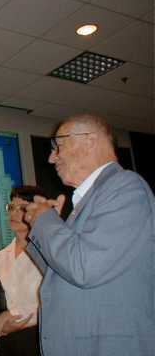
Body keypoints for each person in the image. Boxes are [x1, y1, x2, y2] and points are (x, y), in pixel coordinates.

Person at [24, 114, 155, 356]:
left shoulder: (125, 187)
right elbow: (63, 276)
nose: (52, 158)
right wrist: (38, 231)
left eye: (58, 146)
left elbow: (83, 267)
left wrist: (46, 222)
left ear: (89, 141)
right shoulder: (92, 201)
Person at [0, 186, 44, 356]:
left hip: (40, 341)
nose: (14, 213)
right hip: (6, 343)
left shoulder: (48, 251)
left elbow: (57, 302)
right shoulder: (1, 256)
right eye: (11, 207)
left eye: (21, 208)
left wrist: (11, 316)